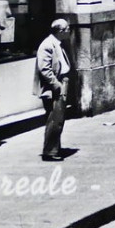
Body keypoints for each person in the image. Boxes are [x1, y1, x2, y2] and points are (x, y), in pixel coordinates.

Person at [33, 18, 71, 162]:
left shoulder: (57, 44)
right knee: (54, 119)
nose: (69, 31)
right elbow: (45, 69)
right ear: (60, 31)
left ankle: (55, 147)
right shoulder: (47, 45)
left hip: (61, 82)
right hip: (54, 86)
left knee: (58, 118)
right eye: (67, 29)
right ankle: (50, 151)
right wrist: (56, 84)